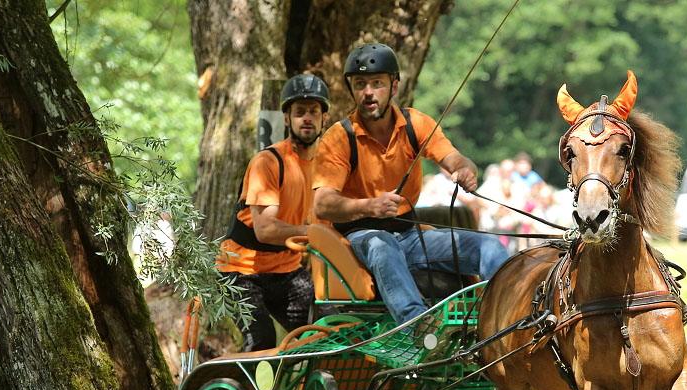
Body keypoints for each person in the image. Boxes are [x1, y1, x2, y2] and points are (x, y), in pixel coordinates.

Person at [312, 43, 509, 326]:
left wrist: (465, 170)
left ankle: (504, 322)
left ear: (393, 87)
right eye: (360, 84)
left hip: (410, 234)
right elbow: (323, 204)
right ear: (352, 89)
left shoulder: (416, 123)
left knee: (488, 246)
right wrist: (370, 206)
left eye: (377, 83)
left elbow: (454, 159)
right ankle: (418, 329)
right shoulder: (338, 138)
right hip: (358, 238)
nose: (368, 92)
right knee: (382, 245)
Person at [216, 74, 331, 351]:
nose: (307, 118)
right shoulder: (268, 162)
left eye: (313, 111)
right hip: (239, 271)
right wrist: (312, 233)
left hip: (286, 270)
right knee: (262, 339)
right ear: (287, 119)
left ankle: (309, 389)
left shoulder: (328, 167)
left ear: (324, 118)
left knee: (329, 330)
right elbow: (265, 229)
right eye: (299, 111)